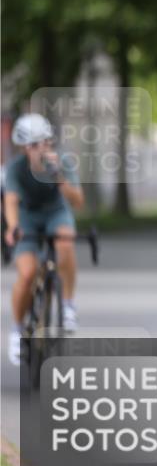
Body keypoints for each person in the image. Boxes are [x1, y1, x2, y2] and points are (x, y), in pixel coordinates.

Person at [3, 113, 84, 365]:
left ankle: (68, 305)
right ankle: (17, 330)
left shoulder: (62, 162)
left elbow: (77, 202)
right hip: (27, 217)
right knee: (27, 273)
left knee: (66, 241)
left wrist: (59, 177)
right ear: (24, 147)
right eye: (33, 145)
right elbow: (11, 201)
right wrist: (13, 227)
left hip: (55, 212)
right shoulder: (16, 169)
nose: (40, 149)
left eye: (44, 142)